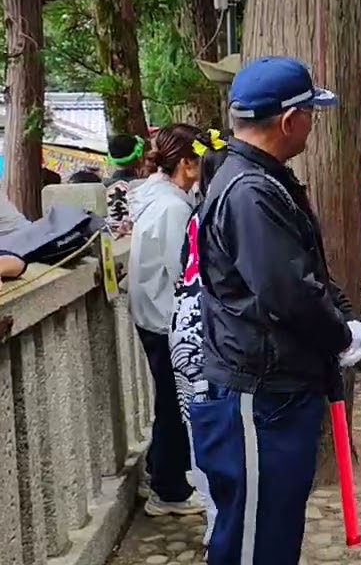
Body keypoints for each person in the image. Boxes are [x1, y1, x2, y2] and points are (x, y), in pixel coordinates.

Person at [190, 56, 361, 565]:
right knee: (253, 535)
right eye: (310, 112)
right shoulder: (249, 190)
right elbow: (287, 291)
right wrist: (340, 335)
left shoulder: (264, 179)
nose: (312, 124)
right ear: (290, 121)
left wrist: (339, 316)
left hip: (279, 385)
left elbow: (307, 268)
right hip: (259, 391)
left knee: (276, 526)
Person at [128, 124, 205, 518]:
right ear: (188, 164)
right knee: (176, 405)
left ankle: (161, 471)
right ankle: (169, 490)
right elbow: (184, 269)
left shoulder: (156, 197)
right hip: (166, 319)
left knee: (167, 402)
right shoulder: (174, 207)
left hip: (151, 314)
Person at [167, 128, 230, 547]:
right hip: (214, 331)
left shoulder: (196, 213)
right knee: (224, 428)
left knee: (199, 428)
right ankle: (223, 521)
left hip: (184, 326)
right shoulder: (231, 213)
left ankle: (213, 520)